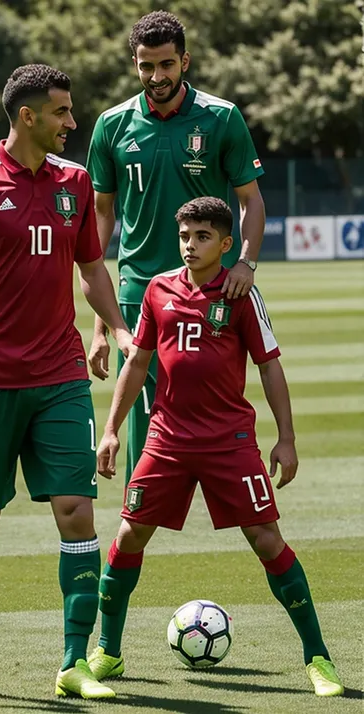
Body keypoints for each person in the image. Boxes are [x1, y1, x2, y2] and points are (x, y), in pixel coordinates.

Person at [0, 63, 132, 700]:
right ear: (27, 116)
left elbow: (92, 270)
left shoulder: (75, 182)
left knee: (77, 513)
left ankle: (73, 664)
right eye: (63, 112)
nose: (73, 123)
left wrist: (119, 330)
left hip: (63, 375)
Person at [87, 197, 344, 698]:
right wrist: (112, 428)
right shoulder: (158, 291)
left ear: (225, 244)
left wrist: (286, 439)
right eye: (184, 236)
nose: (190, 245)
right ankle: (108, 651)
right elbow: (137, 363)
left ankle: (318, 659)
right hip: (166, 439)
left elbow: (270, 366)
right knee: (130, 532)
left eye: (202, 237)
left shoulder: (243, 294)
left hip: (229, 440)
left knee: (266, 539)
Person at [87, 10, 266, 487]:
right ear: (134, 65)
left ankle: (233, 499)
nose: (156, 76)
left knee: (218, 404)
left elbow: (249, 198)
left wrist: (246, 262)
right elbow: (101, 223)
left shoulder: (221, 117)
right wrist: (101, 325)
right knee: (143, 419)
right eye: (146, 66)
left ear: (184, 61)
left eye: (166, 64)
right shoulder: (111, 125)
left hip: (211, 294)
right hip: (138, 292)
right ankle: (139, 521)